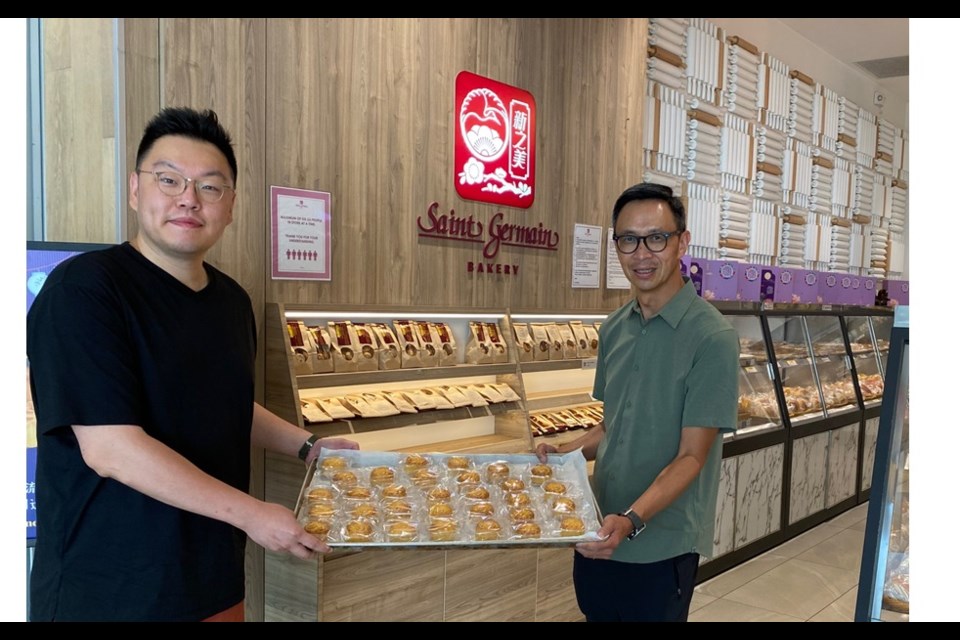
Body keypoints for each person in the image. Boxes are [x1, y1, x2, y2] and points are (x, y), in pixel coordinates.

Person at [26, 107, 357, 622]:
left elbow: (222, 403)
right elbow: (112, 449)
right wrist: (254, 516)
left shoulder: (231, 301)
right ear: (136, 190)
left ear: (230, 206)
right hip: (109, 587)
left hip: (212, 575)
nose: (188, 198)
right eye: (169, 179)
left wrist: (306, 445)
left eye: (209, 187)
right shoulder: (84, 291)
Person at [536, 182, 738, 622]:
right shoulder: (614, 329)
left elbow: (691, 456)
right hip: (596, 533)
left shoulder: (712, 338)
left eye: (656, 238)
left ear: (682, 242)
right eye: (628, 239)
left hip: (660, 546)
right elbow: (612, 425)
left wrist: (630, 519)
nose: (641, 253)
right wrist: (565, 452)